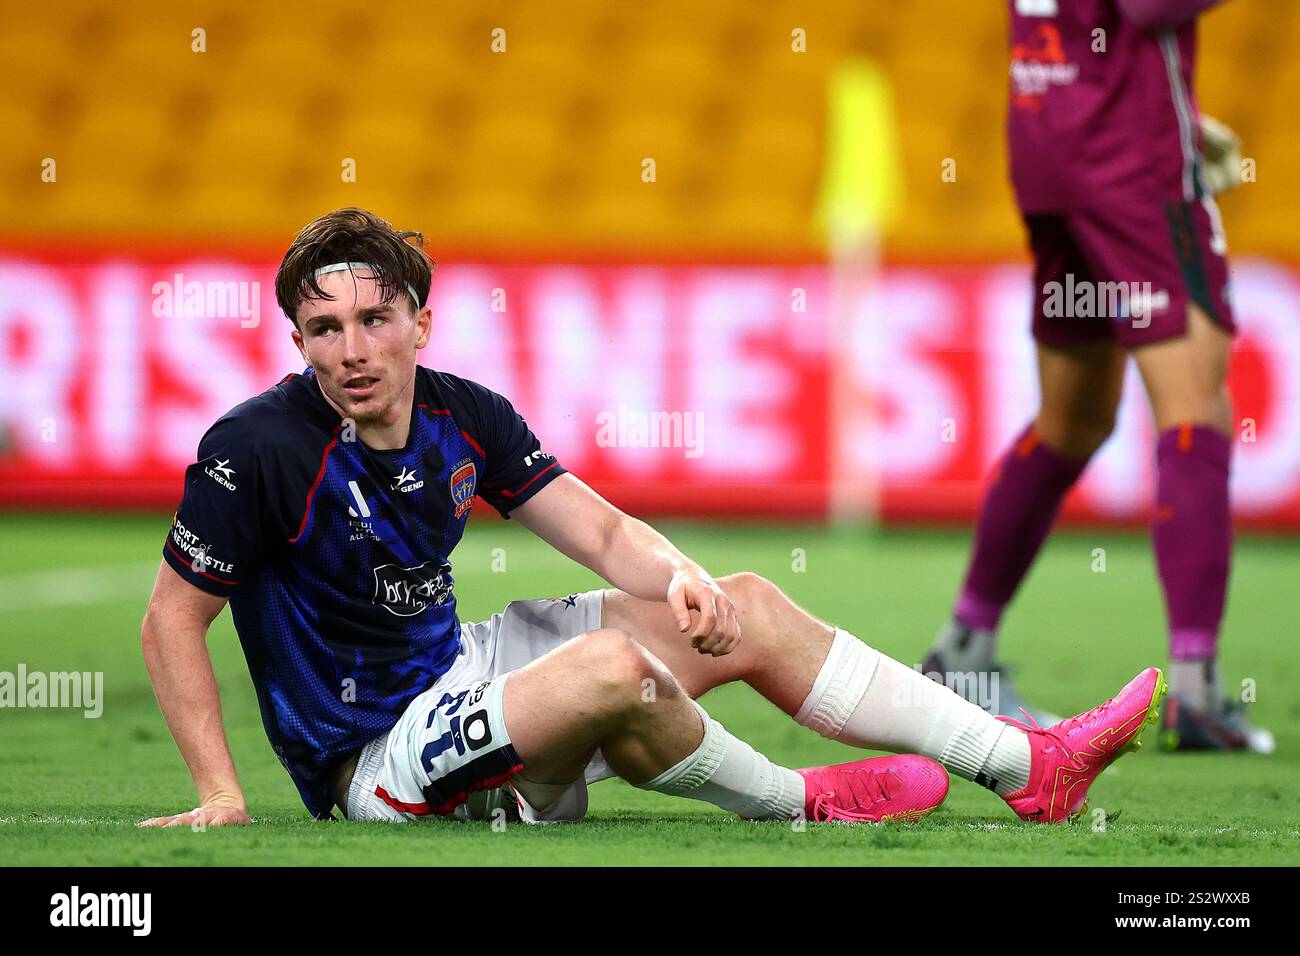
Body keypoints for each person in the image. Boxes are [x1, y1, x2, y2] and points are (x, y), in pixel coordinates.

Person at [140, 208, 1164, 831]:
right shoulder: (258, 447)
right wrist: (223, 791)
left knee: (745, 603)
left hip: (460, 670)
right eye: (324, 327)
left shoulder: (466, 413)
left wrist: (677, 574)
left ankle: (1032, 766)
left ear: (420, 320)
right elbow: (171, 620)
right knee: (616, 675)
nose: (351, 348)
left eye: (373, 319)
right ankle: (796, 800)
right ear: (298, 339)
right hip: (373, 756)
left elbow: (602, 533)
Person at [923, 0, 1272, 752]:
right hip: (1135, 167)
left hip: (1052, 152)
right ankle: (1200, 691)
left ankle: (963, 650)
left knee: (1073, 421)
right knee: (1196, 413)